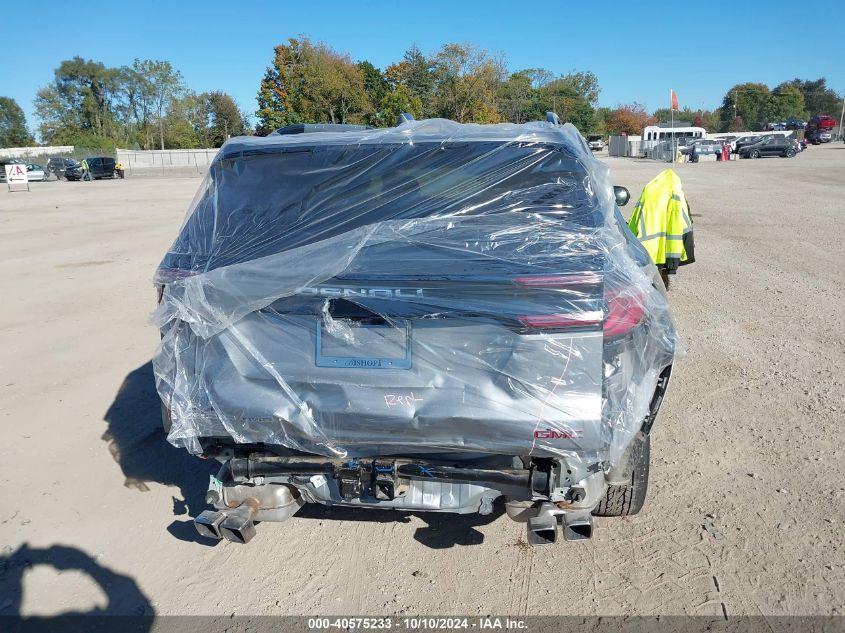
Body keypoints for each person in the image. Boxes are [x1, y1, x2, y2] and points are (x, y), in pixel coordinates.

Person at [627, 169, 695, 289]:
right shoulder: (676, 194)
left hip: (645, 250)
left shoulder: (649, 192)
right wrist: (674, 261)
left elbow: (635, 219)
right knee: (657, 288)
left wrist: (628, 242)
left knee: (645, 287)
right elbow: (683, 225)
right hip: (663, 252)